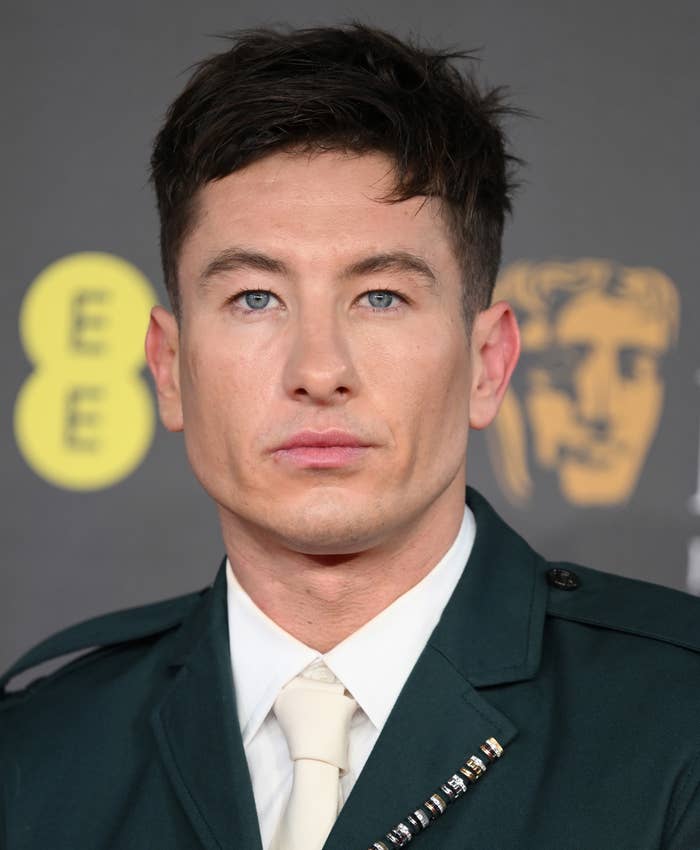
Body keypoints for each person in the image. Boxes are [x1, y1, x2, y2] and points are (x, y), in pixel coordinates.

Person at [1, 24, 698, 850]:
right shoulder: (34, 753)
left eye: (381, 298)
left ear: (487, 363)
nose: (319, 369)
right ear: (170, 366)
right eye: (256, 298)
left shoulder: (678, 718)